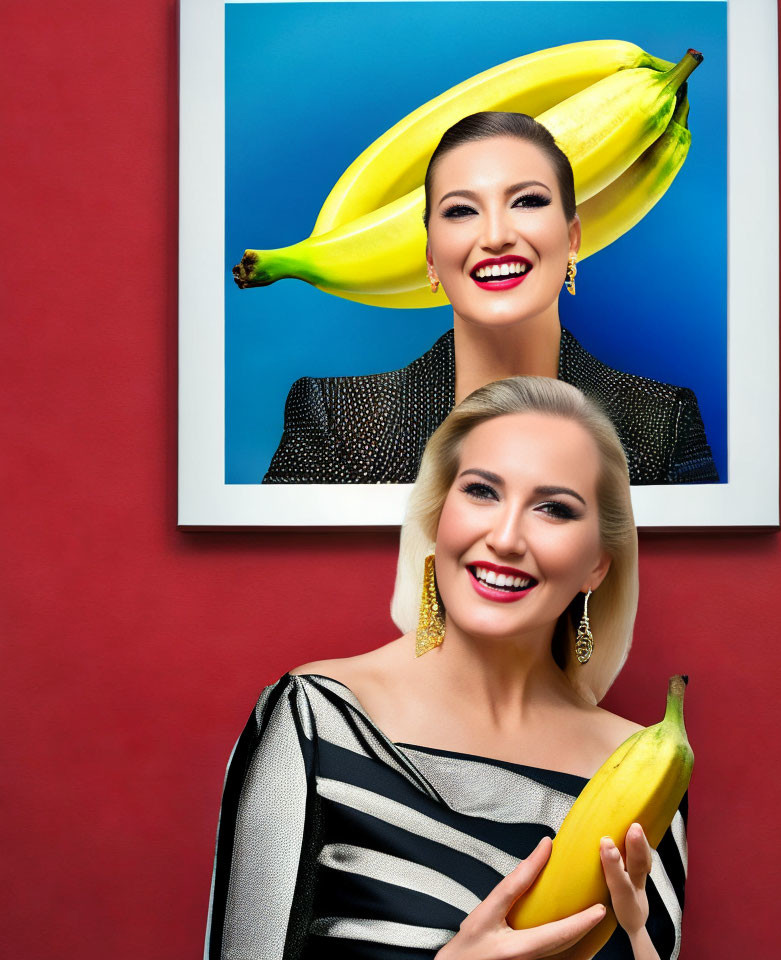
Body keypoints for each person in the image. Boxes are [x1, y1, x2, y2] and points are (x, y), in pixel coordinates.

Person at [209, 376, 689, 959]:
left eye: (554, 509)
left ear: (597, 566)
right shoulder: (316, 721)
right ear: (439, 517)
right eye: (482, 491)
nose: (506, 537)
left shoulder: (641, 767)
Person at [262, 111, 718, 486]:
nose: (496, 236)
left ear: (573, 238)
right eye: (461, 211)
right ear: (431, 259)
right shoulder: (337, 420)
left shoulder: (662, 422)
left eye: (528, 202)